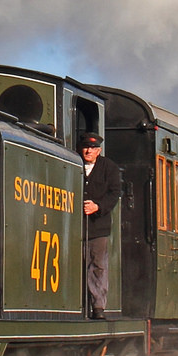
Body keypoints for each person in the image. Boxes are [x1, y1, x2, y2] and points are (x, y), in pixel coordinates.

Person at [79, 133, 122, 319]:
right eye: (86, 147)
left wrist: (98, 206)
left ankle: (98, 306)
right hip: (76, 225)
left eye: (92, 148)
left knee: (98, 266)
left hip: (98, 225)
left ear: (99, 150)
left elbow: (115, 193)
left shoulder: (109, 167)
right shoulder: (75, 164)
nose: (88, 150)